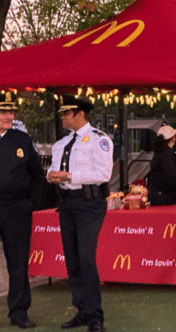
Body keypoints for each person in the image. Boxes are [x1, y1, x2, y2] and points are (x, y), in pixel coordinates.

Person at [46, 96, 112, 332]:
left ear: (79, 114)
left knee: (85, 257)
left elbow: (103, 174)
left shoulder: (99, 140)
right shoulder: (61, 144)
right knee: (72, 259)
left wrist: (69, 176)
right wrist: (52, 176)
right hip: (67, 202)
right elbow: (54, 169)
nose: (63, 117)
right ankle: (82, 310)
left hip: (89, 203)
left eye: (66, 113)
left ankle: (95, 315)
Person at [0, 92, 44, 329]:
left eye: (10, 111)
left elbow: (37, 174)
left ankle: (18, 311)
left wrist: (31, 203)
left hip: (16, 209)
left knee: (17, 262)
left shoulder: (21, 140)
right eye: (4, 112)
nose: (9, 116)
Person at [147, 125, 176, 206]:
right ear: (173, 138)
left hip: (156, 195)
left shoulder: (158, 153)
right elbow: (171, 179)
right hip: (165, 198)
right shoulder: (167, 155)